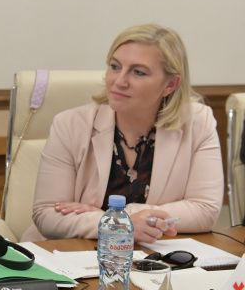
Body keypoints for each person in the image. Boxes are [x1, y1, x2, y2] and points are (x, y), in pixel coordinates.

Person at [22, 24, 223, 243]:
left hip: (150, 257)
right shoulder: (70, 124)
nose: (119, 81)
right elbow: (47, 215)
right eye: (115, 67)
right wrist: (122, 224)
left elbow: (205, 211)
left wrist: (120, 216)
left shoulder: (198, 122)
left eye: (138, 72)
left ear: (170, 84)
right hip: (69, 256)